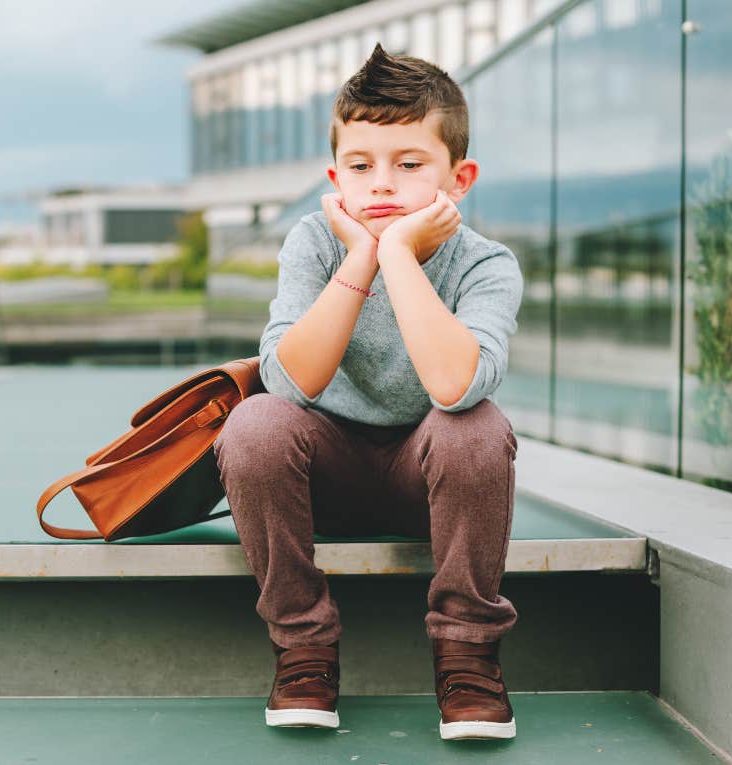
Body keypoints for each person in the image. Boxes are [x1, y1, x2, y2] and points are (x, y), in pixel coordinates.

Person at [212, 43, 524, 741]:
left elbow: (453, 384)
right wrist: (360, 255)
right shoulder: (314, 243)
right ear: (336, 178)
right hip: (323, 475)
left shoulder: (488, 266)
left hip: (431, 481)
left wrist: (397, 255)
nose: (382, 185)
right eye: (361, 167)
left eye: (410, 165)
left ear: (458, 177)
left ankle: (468, 653)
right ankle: (303, 646)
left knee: (476, 423)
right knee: (253, 424)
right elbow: (290, 382)